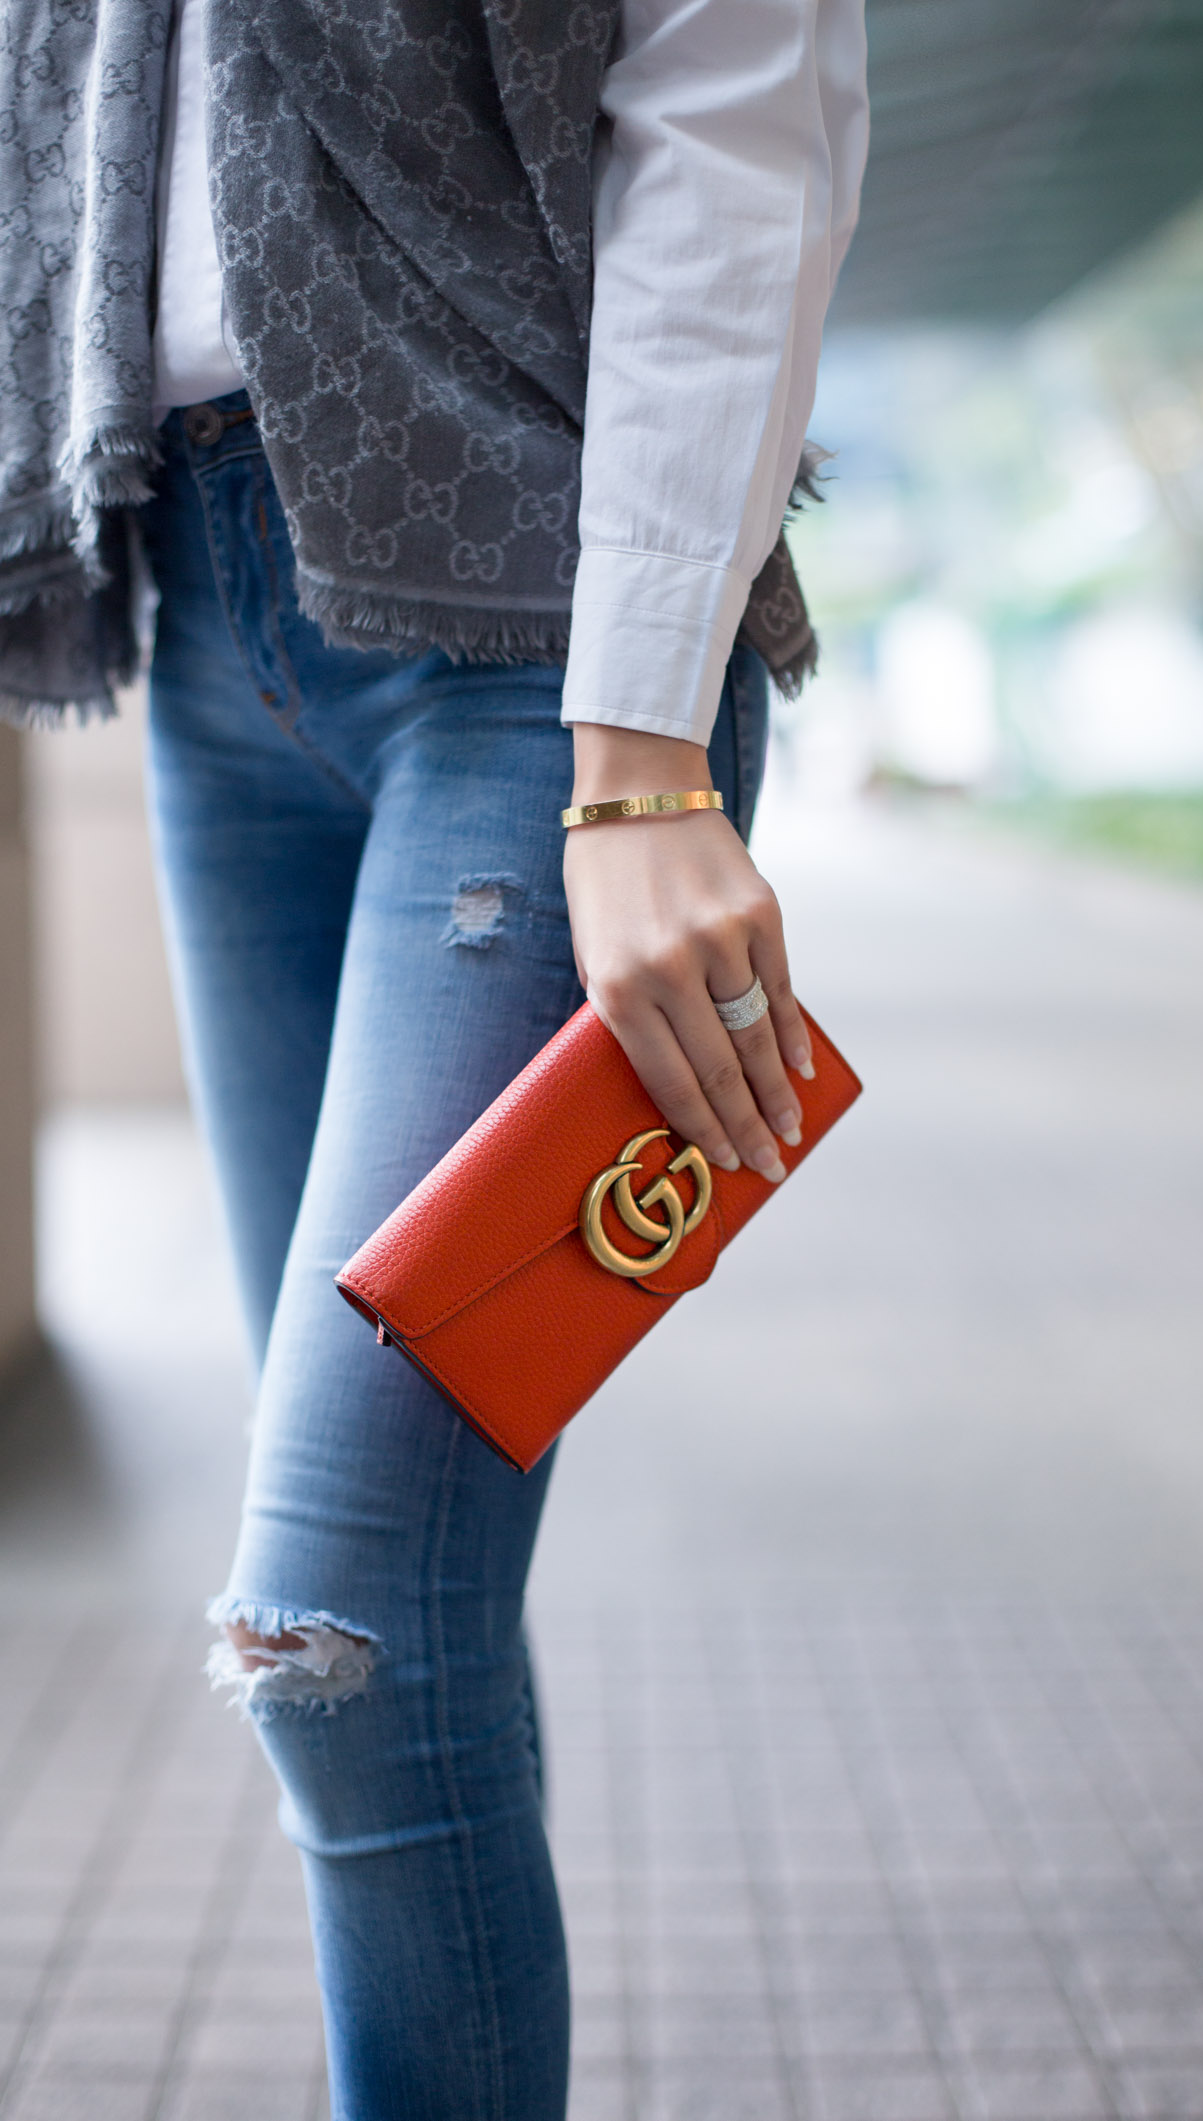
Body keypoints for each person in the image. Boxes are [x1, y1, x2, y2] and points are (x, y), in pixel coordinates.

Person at [0, 0, 868, 2113]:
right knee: (420, 1617)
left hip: (528, 647)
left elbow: (738, 116)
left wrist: (648, 755)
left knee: (338, 1635)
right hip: (195, 610)